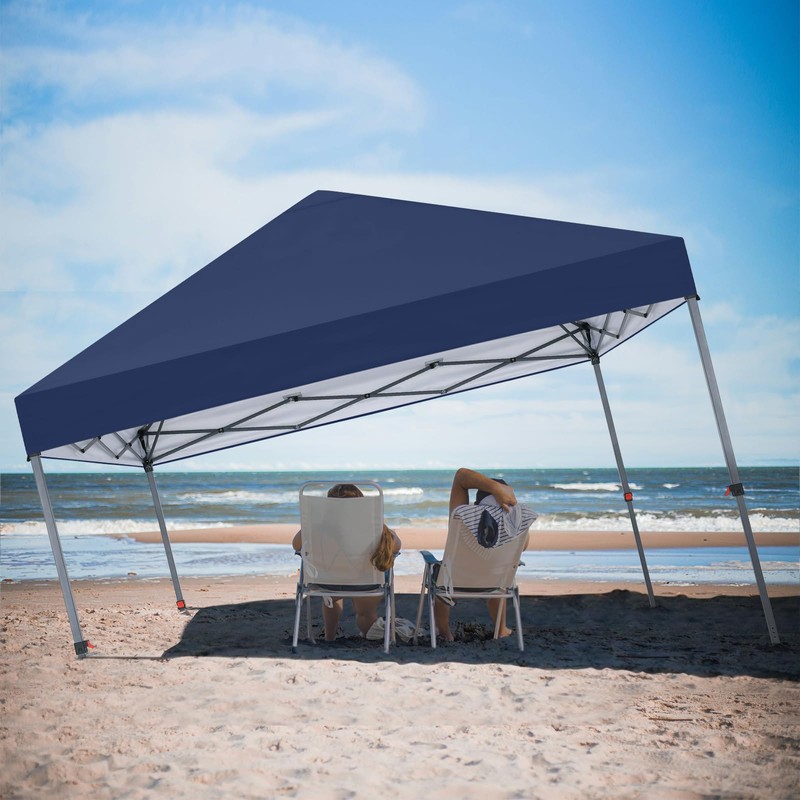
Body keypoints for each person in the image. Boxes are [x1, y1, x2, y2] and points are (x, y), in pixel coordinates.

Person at [434, 467, 535, 642]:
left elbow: (461, 476)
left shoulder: (462, 516)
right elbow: (523, 547)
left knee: (439, 575)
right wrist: (512, 510)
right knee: (502, 571)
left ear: (477, 504)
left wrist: (495, 489)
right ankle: (501, 629)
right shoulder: (517, 526)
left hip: (453, 584)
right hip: (494, 584)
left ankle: (445, 633)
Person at [292, 483, 401, 641]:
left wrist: (311, 526)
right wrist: (389, 532)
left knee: (331, 599)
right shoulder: (373, 528)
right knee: (365, 614)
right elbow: (396, 546)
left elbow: (296, 545)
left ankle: (330, 636)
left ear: (329, 506)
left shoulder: (319, 528)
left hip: (327, 583)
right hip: (367, 584)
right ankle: (366, 634)